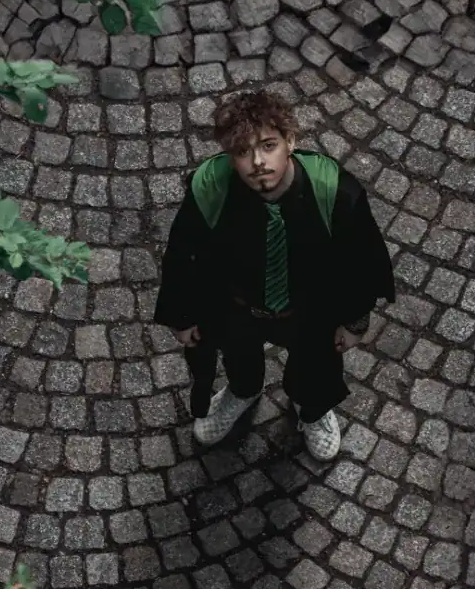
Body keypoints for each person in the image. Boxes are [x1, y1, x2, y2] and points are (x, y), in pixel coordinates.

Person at [154, 87, 396, 461]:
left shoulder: (333, 191)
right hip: (236, 304)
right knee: (238, 358)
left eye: (268, 146)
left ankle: (309, 405)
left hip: (310, 307)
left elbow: (360, 260)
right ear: (230, 156)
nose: (258, 162)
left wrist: (355, 320)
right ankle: (243, 391)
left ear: (290, 142)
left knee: (313, 366)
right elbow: (183, 253)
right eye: (242, 151)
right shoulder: (211, 189)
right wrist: (182, 315)